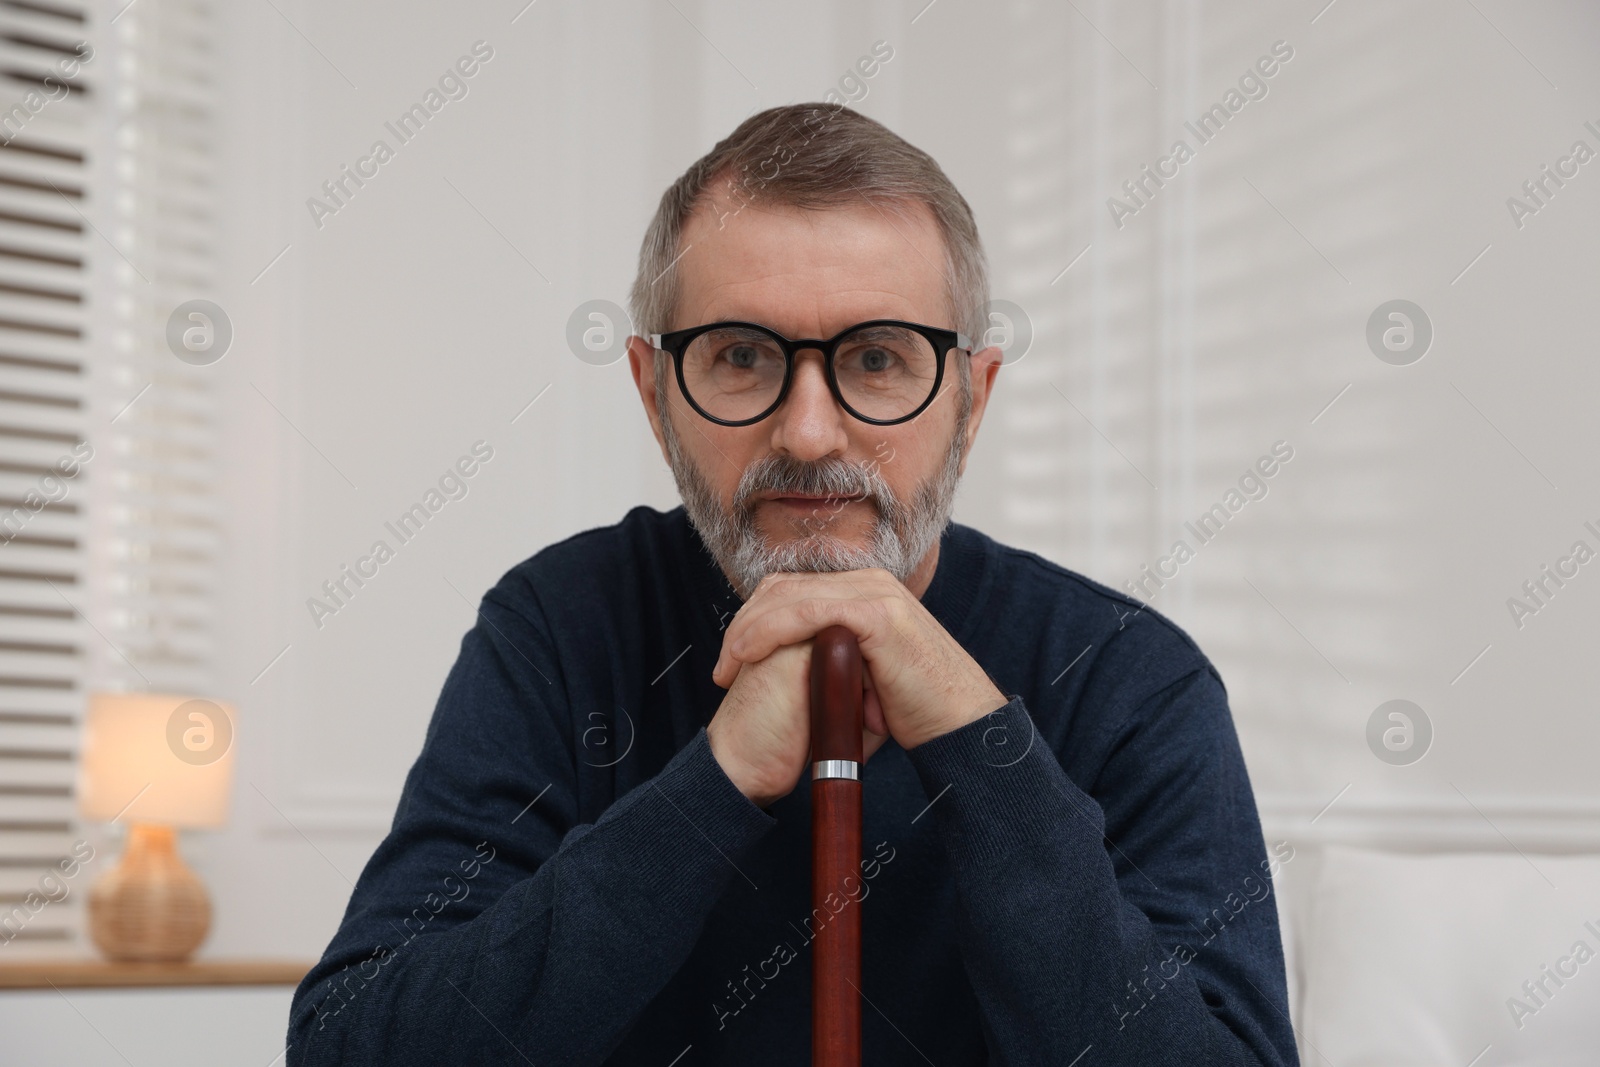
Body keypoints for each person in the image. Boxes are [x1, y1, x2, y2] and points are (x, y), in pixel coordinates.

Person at [287, 102, 1300, 1066]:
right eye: (738, 355)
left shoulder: (1129, 678)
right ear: (652, 394)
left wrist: (980, 744)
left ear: (970, 397)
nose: (809, 432)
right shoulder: (561, 628)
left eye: (875, 358)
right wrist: (714, 780)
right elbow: (352, 1045)